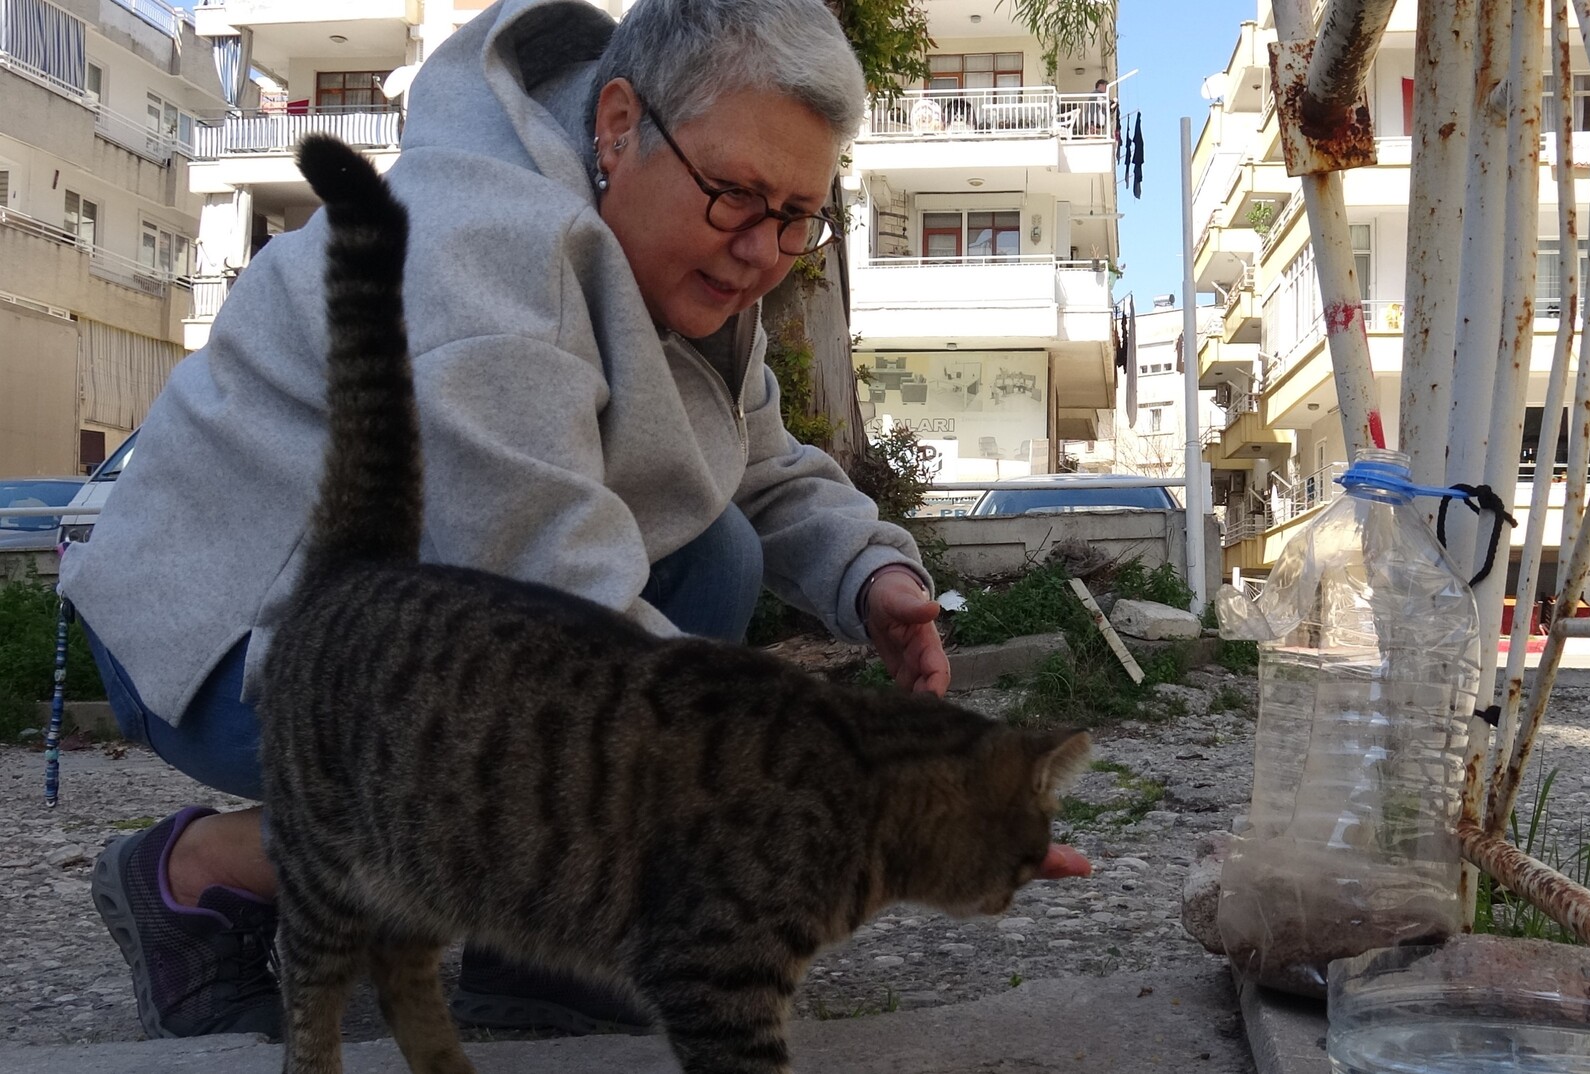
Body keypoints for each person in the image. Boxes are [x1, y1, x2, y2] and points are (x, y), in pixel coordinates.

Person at [59, 0, 1037, 1041]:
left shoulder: (684, 239)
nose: (764, 250)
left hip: (402, 595)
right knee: (545, 738)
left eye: (800, 215)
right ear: (618, 125)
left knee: (714, 554)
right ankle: (194, 874)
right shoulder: (484, 254)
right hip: (223, 628)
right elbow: (544, 594)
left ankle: (536, 952)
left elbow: (759, 462)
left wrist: (869, 573)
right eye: (740, 198)